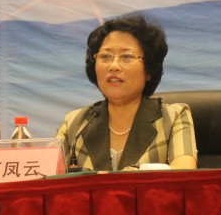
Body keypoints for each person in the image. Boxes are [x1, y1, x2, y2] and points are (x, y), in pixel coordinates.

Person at [56, 12, 197, 171]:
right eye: (105, 56)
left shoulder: (172, 117)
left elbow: (184, 172)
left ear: (148, 70)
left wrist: (134, 177)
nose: (114, 66)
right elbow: (45, 175)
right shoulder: (75, 123)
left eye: (127, 56)